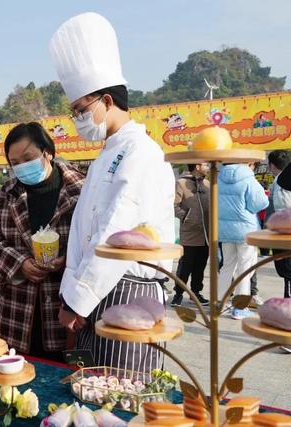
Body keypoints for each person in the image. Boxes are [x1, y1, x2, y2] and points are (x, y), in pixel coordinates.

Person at [50, 12, 175, 372]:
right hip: (98, 291)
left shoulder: (140, 152)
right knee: (92, 388)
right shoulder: (108, 152)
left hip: (128, 291)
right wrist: (75, 291)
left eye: (80, 109)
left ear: (106, 100)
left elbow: (114, 234)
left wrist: (77, 300)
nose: (77, 119)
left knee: (122, 393)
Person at [0, 122, 84, 362]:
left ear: (48, 152)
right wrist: (20, 263)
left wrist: (67, 260)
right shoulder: (8, 193)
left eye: (28, 158)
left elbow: (95, 241)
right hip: (17, 309)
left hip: (64, 308)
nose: (22, 167)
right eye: (15, 163)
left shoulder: (81, 188)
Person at [217, 163, 268, 320]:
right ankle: (239, 308)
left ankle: (220, 304)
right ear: (247, 163)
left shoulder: (219, 178)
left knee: (227, 266)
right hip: (246, 230)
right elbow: (260, 203)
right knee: (245, 270)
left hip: (224, 229)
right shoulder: (248, 179)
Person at [171, 164, 210, 307]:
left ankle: (196, 293)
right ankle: (178, 294)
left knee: (200, 266)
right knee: (185, 266)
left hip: (206, 234)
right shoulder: (181, 183)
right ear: (197, 166)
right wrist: (187, 217)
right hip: (189, 234)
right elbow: (174, 205)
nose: (207, 166)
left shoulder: (208, 184)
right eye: (205, 164)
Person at [267, 150, 291, 299]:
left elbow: (282, 205)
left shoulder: (279, 181)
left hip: (283, 228)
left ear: (271, 165)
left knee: (285, 265)